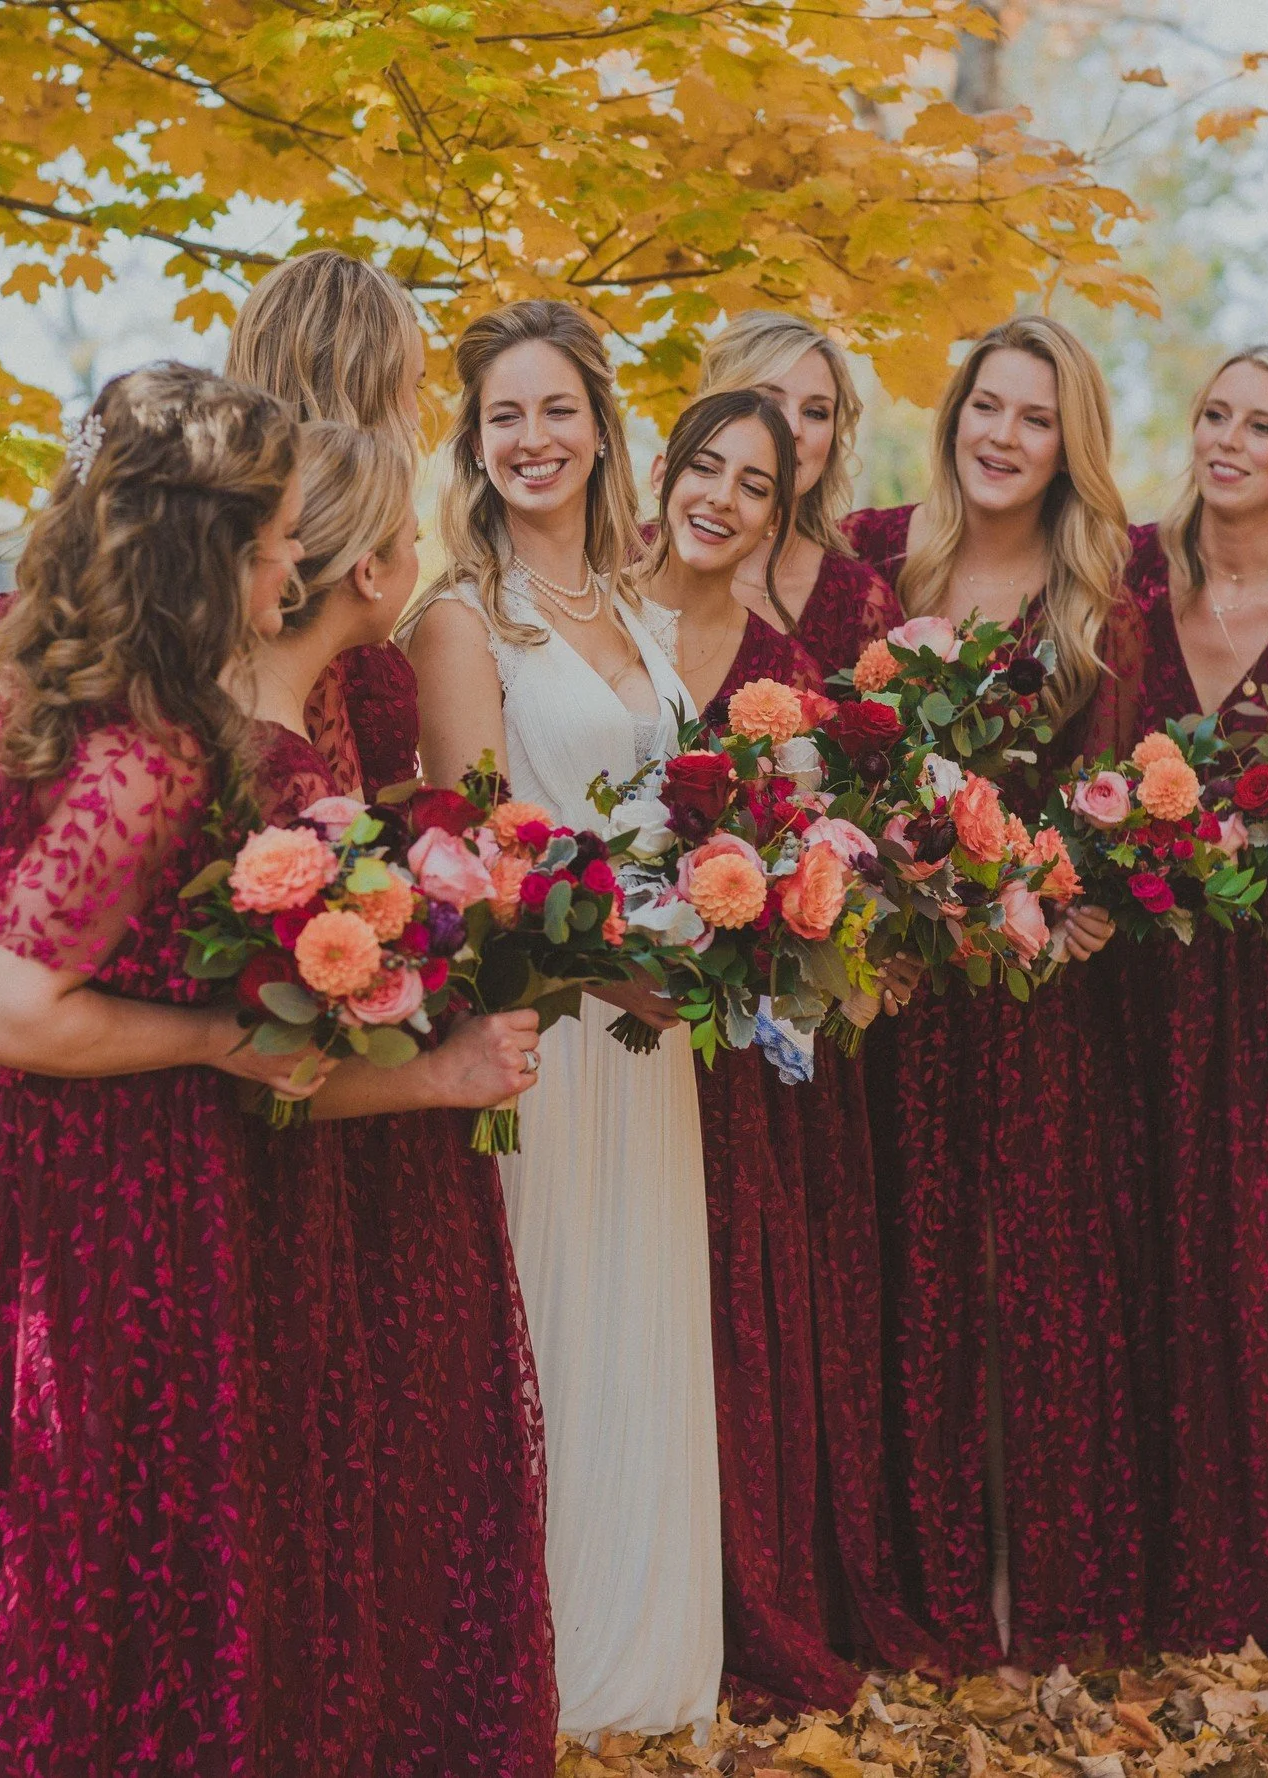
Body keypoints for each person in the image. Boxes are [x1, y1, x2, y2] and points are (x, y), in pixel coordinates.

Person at [0, 365, 342, 1773]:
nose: (293, 568)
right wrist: (215, 1033)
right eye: (277, 543)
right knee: (91, 1513)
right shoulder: (150, 745)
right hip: (95, 1167)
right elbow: (13, 1011)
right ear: (207, 550)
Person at [402, 300, 722, 1744]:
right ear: (472, 446)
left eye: (553, 410)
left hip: (655, 1035)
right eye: (501, 417)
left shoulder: (640, 612)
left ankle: (644, 1653)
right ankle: (543, 1661)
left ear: (600, 426)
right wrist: (603, 968)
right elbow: (482, 857)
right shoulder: (461, 619)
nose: (530, 439)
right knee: (550, 1317)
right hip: (548, 1023)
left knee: (638, 1312)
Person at [844, 317, 1149, 1667]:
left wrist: (1076, 902)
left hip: (1032, 999)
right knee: (904, 1269)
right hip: (897, 988)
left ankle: (1042, 1592)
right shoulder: (876, 562)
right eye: (986, 406)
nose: (1002, 436)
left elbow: (1110, 808)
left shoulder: (1095, 606)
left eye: (1034, 418)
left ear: (1067, 446)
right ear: (953, 412)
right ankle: (920, 1583)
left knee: (1026, 1276)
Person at [257, 420, 558, 1774]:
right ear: (370, 571)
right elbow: (256, 1068)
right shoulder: (278, 773)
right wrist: (439, 1068)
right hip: (287, 1168)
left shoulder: (301, 749)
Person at [638, 388, 940, 1711]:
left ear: (778, 514)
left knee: (734, 1306)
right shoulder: (595, 622)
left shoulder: (782, 676)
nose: (720, 497)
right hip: (602, 1023)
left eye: (752, 484)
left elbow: (830, 871)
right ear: (662, 474)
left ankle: (737, 1587)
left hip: (735, 1049)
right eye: (703, 468)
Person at [1117, 345, 1268, 1657]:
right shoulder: (1127, 582)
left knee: (1254, 1261)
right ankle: (1149, 1574)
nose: (1225, 440)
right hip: (1129, 992)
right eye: (1212, 415)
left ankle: (1260, 1570)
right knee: (1142, 1259)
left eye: (1261, 426)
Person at [226, 248, 425, 793]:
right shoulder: (296, 600)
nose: (415, 416)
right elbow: (319, 815)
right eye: (413, 386)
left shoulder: (232, 543)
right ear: (367, 388)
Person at [695, 310, 900, 676]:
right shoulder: (627, 557)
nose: (792, 428)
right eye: (768, 401)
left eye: (816, 413)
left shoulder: (858, 603)